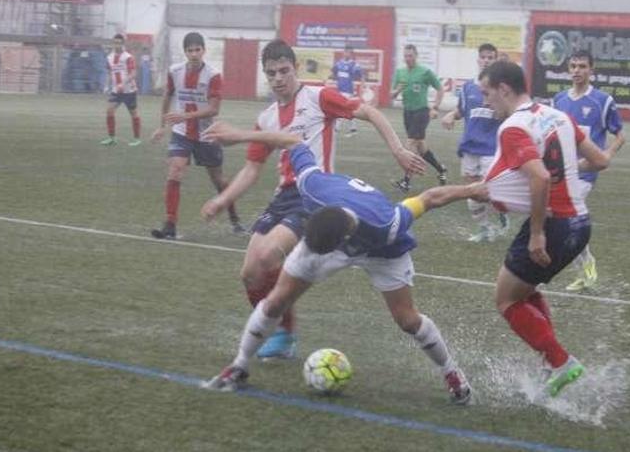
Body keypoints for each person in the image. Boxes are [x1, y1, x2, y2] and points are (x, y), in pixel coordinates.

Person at [200, 127, 476, 404]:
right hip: (327, 231)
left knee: (407, 319)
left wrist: (473, 189)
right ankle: (239, 365)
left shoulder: (387, 223)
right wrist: (239, 135)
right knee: (276, 302)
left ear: (342, 240)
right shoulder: (312, 187)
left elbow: (429, 198)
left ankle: (452, 372)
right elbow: (293, 140)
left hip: (382, 251)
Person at [201, 39, 425, 360]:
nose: (279, 78)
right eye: (271, 73)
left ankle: (284, 332)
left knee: (267, 256)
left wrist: (398, 150)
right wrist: (223, 199)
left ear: (295, 68)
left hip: (315, 195)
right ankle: (279, 329)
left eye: (284, 70)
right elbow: (252, 169)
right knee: (250, 272)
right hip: (283, 196)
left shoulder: (318, 97)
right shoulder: (266, 118)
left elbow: (370, 111)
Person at [479, 60, 616, 397]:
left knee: (506, 300)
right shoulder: (558, 115)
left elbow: (540, 177)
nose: (486, 102)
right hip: (582, 224)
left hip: (554, 225)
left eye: (487, 93)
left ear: (504, 89)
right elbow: (601, 160)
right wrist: (569, 168)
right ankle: (550, 361)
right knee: (524, 290)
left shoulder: (513, 126)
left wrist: (538, 232)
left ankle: (559, 361)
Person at [149, 32, 243, 239]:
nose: (194, 54)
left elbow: (214, 109)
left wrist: (185, 115)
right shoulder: (175, 71)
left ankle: (235, 219)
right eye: (190, 50)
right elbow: (167, 96)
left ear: (203, 50)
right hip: (181, 132)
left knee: (218, 180)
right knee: (175, 170)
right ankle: (170, 225)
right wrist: (162, 126)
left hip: (206, 134)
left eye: (197, 49)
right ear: (185, 52)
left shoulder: (213, 75)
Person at [552, 50, 625, 291]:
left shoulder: (602, 101)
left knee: (565, 218)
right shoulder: (559, 100)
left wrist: (606, 155)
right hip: (562, 170)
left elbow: (620, 136)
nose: (576, 70)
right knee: (567, 221)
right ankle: (587, 264)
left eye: (582, 66)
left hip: (585, 173)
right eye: (573, 66)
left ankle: (586, 269)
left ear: (591, 70)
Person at [441, 43, 509, 242]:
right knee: (473, 195)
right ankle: (485, 229)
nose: (486, 60)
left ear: (495, 60)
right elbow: (462, 110)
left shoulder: (502, 88)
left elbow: (511, 113)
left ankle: (502, 211)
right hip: (469, 147)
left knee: (490, 191)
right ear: (478, 59)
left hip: (492, 148)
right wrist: (451, 116)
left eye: (490, 57)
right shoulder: (468, 87)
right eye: (483, 57)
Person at [391, 44, 447, 192]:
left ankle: (406, 181)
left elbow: (440, 88)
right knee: (421, 148)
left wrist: (435, 107)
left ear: (416, 56)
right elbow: (392, 94)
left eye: (410, 55)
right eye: (406, 56)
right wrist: (397, 90)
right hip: (407, 113)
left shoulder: (425, 72)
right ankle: (441, 169)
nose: (408, 58)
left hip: (421, 112)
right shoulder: (400, 72)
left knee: (409, 146)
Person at [100, 34, 142, 147]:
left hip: (129, 90)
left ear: (123, 44)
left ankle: (137, 139)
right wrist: (106, 85)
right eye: (115, 42)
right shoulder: (109, 57)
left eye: (119, 42)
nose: (117, 45)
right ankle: (112, 138)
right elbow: (110, 72)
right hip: (116, 91)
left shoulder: (128, 57)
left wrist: (123, 84)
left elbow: (133, 73)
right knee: (109, 111)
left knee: (133, 114)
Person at [330, 45, 365, 137]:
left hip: (348, 90)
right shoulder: (338, 63)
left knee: (340, 108)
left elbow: (362, 76)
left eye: (349, 52)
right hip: (339, 90)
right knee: (348, 110)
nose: (347, 54)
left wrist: (362, 87)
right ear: (343, 52)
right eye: (346, 51)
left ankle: (336, 129)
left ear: (351, 54)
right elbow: (333, 72)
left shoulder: (354, 64)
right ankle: (353, 129)